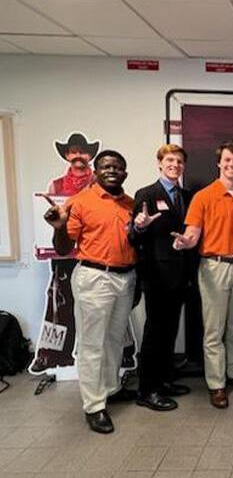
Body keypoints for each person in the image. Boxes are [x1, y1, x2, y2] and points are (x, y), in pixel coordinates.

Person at [43, 150, 137, 434]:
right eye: (106, 166)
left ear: (125, 173)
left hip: (125, 277)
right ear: (96, 172)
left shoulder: (130, 203)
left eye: (117, 167)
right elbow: (63, 248)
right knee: (92, 344)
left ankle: (110, 388)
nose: (112, 171)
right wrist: (59, 227)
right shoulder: (80, 201)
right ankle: (94, 406)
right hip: (95, 278)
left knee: (114, 340)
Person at [172, 141, 233, 409]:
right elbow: (192, 234)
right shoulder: (203, 197)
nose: (231, 165)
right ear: (219, 163)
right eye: (227, 160)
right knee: (214, 330)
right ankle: (217, 384)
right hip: (213, 267)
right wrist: (185, 241)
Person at [129, 144, 194, 411]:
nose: (175, 165)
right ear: (159, 163)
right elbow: (133, 236)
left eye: (179, 161)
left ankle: (165, 381)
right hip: (156, 276)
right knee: (155, 333)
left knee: (170, 331)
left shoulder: (186, 196)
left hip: (180, 275)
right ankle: (147, 390)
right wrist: (139, 227)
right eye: (169, 160)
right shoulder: (146, 194)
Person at [31, 133, 98, 374]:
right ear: (67, 155)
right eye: (73, 151)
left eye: (83, 151)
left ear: (90, 155)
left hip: (94, 254)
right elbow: (47, 220)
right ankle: (52, 354)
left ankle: (121, 353)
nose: (78, 155)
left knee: (102, 304)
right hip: (64, 255)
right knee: (59, 303)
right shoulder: (55, 185)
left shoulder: (100, 182)